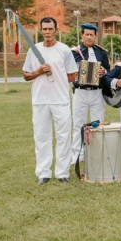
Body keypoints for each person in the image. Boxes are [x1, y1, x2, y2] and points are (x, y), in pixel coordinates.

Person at [23, 17, 78, 184]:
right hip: (40, 100)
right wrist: (38, 71)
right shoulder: (34, 50)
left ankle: (62, 173)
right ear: (41, 30)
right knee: (41, 136)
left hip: (60, 100)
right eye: (44, 29)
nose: (47, 32)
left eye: (50, 29)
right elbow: (26, 75)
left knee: (63, 136)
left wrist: (58, 82)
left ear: (56, 29)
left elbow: (72, 74)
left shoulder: (64, 50)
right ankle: (43, 173)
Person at [70, 23, 111, 163]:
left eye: (91, 35)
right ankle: (77, 155)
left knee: (97, 123)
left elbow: (108, 70)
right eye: (86, 34)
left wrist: (103, 72)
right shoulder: (74, 52)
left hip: (97, 92)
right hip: (80, 91)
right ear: (82, 35)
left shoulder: (101, 52)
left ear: (95, 36)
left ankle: (95, 153)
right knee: (78, 124)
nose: (89, 37)